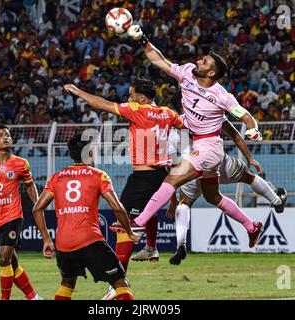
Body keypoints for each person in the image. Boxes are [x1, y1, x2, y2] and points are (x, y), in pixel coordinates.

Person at [126, 25, 264, 249]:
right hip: (197, 143)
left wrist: (252, 129)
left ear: (211, 74)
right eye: (203, 58)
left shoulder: (222, 95)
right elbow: (159, 60)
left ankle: (138, 224)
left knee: (171, 179)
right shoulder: (187, 73)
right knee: (213, 197)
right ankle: (251, 226)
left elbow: (245, 116)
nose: (200, 60)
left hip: (209, 146)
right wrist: (143, 39)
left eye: (206, 61)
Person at [64, 79, 184, 300]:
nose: (129, 99)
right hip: (163, 174)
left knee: (124, 225)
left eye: (131, 95)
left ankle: (118, 282)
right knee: (146, 214)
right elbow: (185, 125)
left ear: (142, 98)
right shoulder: (167, 112)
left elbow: (101, 104)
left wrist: (78, 90)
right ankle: (151, 247)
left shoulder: (137, 110)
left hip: (144, 177)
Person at [32, 133, 140, 300]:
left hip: (63, 243)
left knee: (67, 283)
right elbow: (118, 208)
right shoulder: (98, 175)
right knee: (120, 282)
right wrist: (130, 232)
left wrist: (47, 239)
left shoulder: (56, 178)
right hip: (90, 240)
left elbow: (37, 209)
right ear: (90, 153)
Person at [165, 118, 287, 265]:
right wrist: (250, 158)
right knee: (248, 177)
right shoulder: (206, 110)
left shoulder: (172, 134)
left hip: (189, 168)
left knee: (184, 203)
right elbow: (235, 135)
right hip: (218, 162)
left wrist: (173, 199)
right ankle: (277, 201)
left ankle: (180, 245)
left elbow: (172, 166)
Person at [0, 124, 41, 300]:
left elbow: (29, 185)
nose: (5, 137)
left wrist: (39, 204)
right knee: (12, 263)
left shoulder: (21, 164)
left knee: (3, 259)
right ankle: (33, 297)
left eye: (8, 134)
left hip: (13, 216)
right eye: (0, 135)